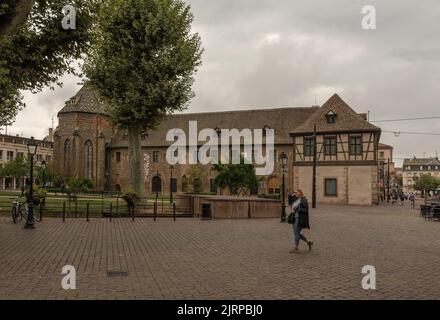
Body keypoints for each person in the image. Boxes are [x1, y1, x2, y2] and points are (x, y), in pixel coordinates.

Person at [290, 189, 313, 254]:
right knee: (296, 233)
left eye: (297, 192)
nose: (296, 193)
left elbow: (306, 210)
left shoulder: (304, 200)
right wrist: (292, 195)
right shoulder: (296, 199)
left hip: (300, 219)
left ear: (300, 193)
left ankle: (296, 248)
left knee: (296, 233)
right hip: (294, 218)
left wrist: (298, 209)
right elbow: (290, 202)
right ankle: (308, 242)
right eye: (295, 192)